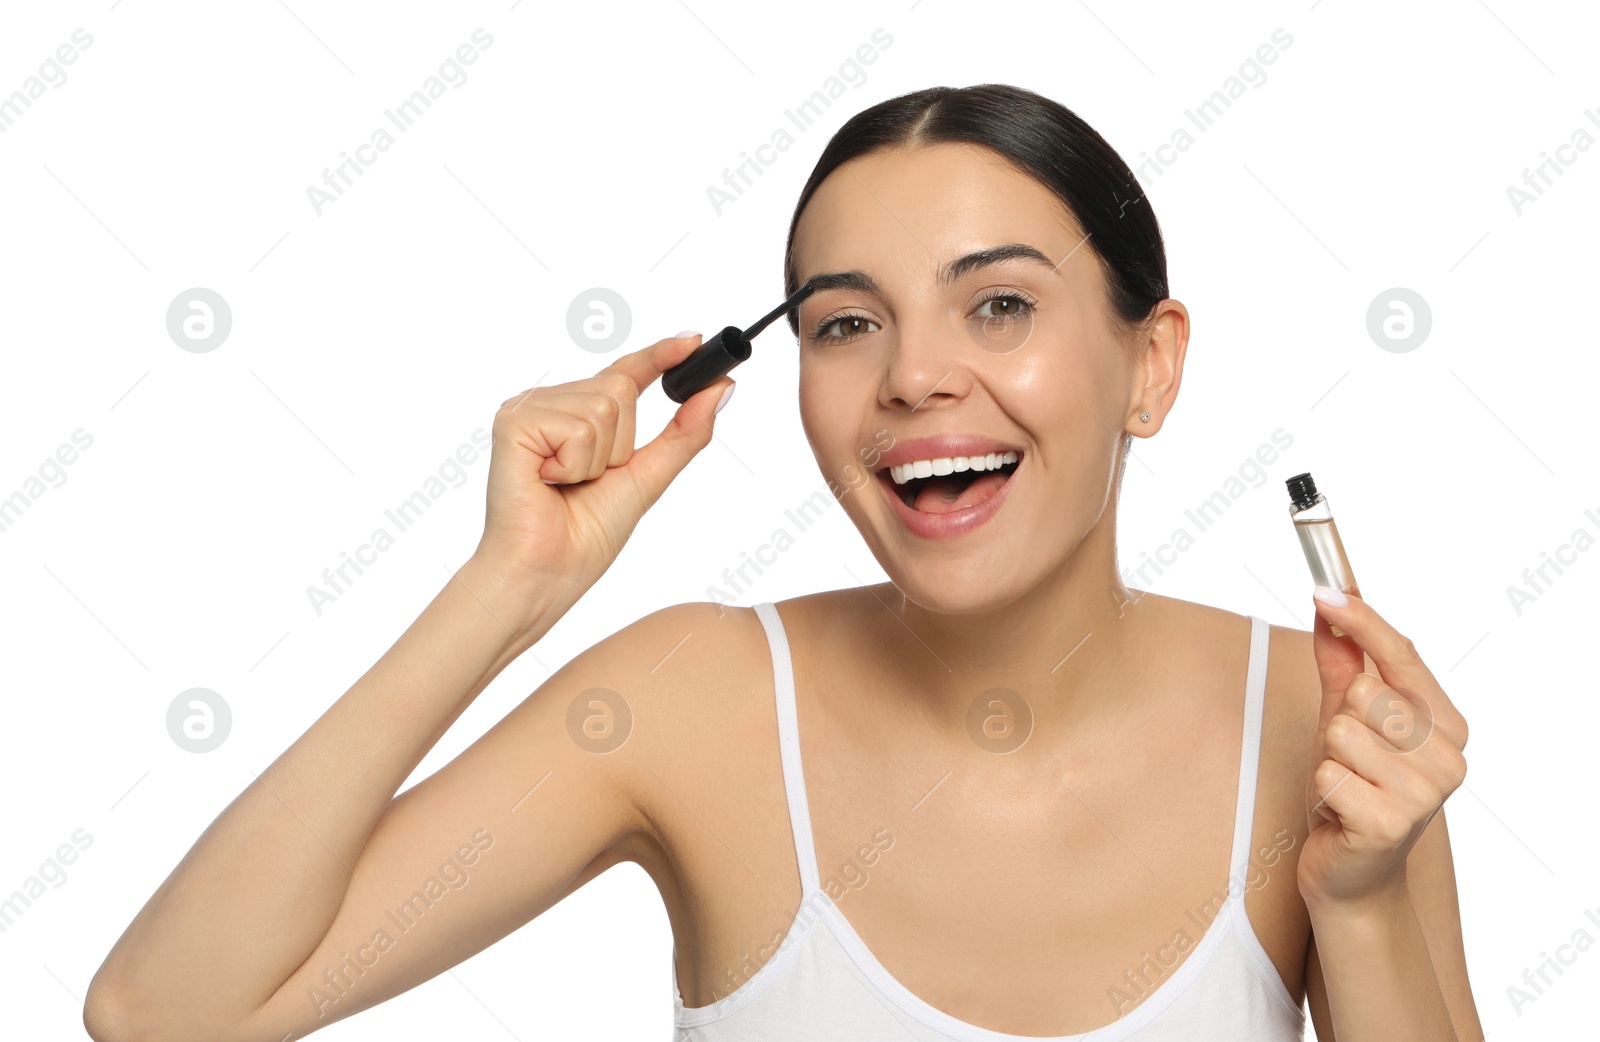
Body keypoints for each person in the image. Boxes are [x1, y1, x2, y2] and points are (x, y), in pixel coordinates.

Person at [83, 83, 1481, 1041]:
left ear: (1150, 364)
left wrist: (1356, 907)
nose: (917, 377)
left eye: (999, 304)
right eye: (844, 323)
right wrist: (504, 590)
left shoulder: (1338, 720)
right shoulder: (693, 699)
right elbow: (162, 1011)